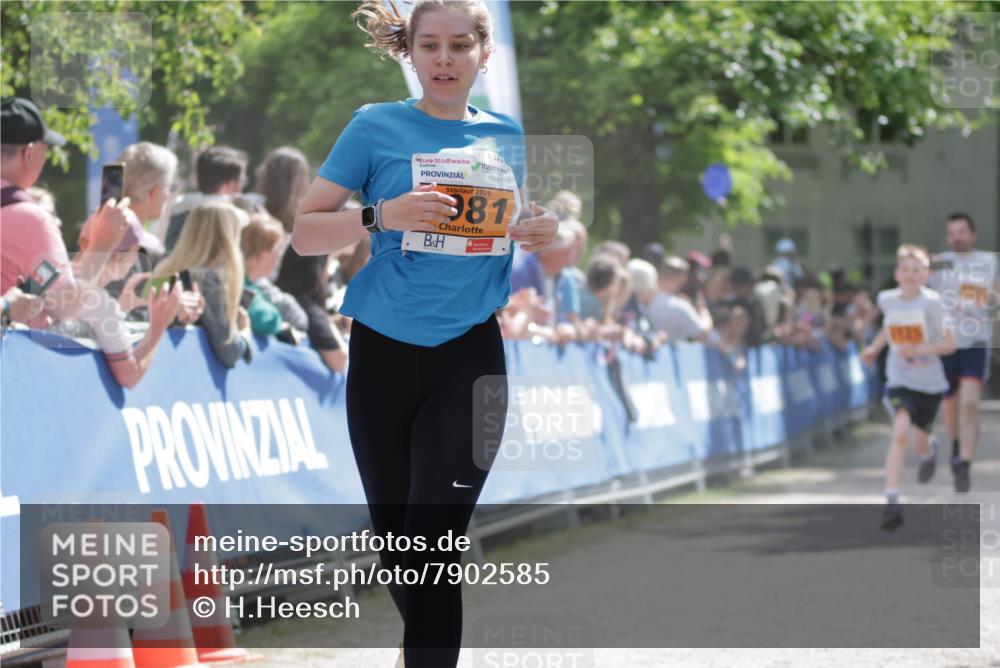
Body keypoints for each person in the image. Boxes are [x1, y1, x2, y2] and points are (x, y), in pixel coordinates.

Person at [289, 1, 557, 665]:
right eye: (430, 45)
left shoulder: (506, 135)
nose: (444, 59)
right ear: (409, 52)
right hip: (383, 353)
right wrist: (383, 214)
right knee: (400, 546)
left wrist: (538, 230)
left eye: (460, 45)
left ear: (483, 55)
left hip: (470, 356)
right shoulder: (374, 126)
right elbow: (304, 233)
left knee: (434, 541)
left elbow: (507, 228)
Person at [861, 245, 955, 530]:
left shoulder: (933, 303)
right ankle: (892, 500)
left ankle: (927, 452)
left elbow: (949, 344)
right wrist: (874, 349)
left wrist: (919, 349)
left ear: (925, 274)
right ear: (897, 273)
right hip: (900, 379)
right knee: (900, 432)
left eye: (917, 270)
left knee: (919, 440)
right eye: (905, 269)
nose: (911, 274)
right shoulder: (887, 300)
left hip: (929, 384)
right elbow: (888, 328)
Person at [929, 212, 999, 492]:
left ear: (973, 234)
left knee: (970, 405)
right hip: (946, 343)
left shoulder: (988, 261)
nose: (956, 237)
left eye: (961, 232)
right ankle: (957, 445)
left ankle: (965, 465)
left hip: (975, 342)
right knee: (950, 408)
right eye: (952, 233)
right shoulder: (939, 262)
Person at [153, 201, 253, 368]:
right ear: (230, 238)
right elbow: (228, 350)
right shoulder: (211, 280)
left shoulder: (164, 268)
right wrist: (245, 335)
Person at [159, 145, 248, 251]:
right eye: (241, 180)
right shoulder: (236, 218)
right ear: (230, 184)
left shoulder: (179, 210)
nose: (240, 187)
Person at [241, 211, 308, 337]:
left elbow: (300, 320)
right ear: (261, 256)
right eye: (277, 252)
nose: (278, 259)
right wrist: (279, 324)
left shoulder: (253, 281)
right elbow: (266, 319)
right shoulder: (238, 282)